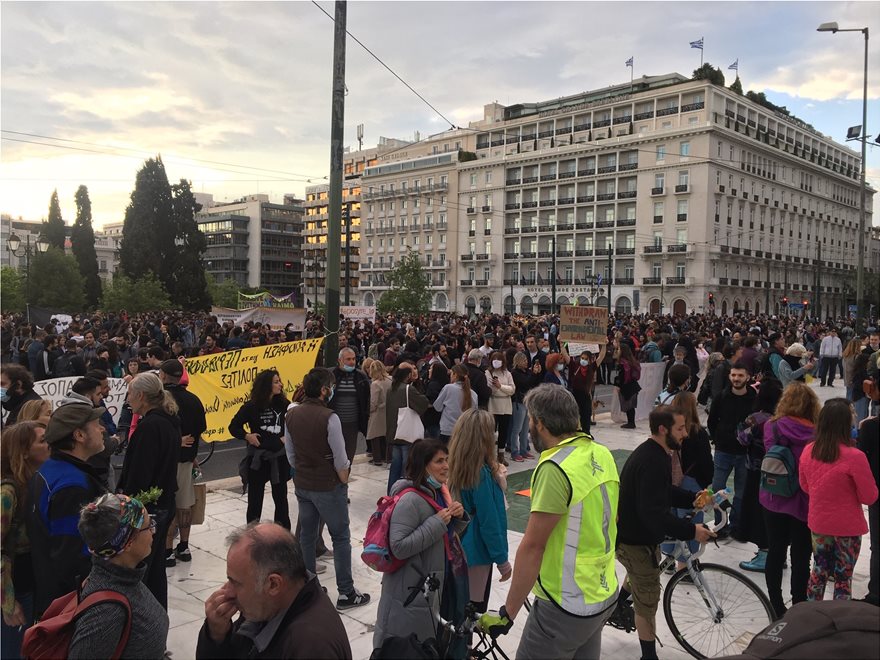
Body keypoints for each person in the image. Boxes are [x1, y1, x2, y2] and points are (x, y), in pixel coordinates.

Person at [487, 384, 620, 660]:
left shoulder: (555, 467)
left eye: (531, 420)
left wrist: (508, 613)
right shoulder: (601, 453)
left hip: (565, 604)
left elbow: (533, 547)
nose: (529, 427)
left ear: (541, 423)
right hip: (601, 592)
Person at [613, 406, 716, 660]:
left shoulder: (656, 454)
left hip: (639, 537)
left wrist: (691, 498)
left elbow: (664, 492)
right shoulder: (653, 460)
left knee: (641, 576)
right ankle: (648, 656)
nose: (685, 434)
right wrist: (691, 530)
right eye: (680, 429)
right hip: (635, 542)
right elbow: (654, 513)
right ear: (663, 429)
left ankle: (617, 606)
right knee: (647, 602)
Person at [197, 522, 351, 659]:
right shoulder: (265, 605)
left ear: (273, 584)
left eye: (235, 583)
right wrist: (216, 635)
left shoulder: (310, 646)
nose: (228, 592)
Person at [373, 439, 470, 656]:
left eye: (447, 460)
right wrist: (436, 523)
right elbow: (398, 546)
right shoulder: (410, 500)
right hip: (411, 592)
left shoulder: (438, 493)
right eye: (439, 461)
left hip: (435, 585)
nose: (446, 466)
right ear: (423, 465)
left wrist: (458, 517)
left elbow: (443, 538)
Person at [287, 368, 370, 611]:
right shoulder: (330, 417)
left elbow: (291, 455)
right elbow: (341, 458)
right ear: (324, 390)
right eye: (331, 386)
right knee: (341, 536)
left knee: (307, 535)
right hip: (328, 485)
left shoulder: (291, 414)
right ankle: (346, 592)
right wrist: (343, 478)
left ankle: (308, 586)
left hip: (303, 483)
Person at [26, 401, 108, 618]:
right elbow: (73, 557)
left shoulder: (51, 469)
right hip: (72, 606)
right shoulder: (71, 485)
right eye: (96, 424)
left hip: (54, 597)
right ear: (79, 435)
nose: (102, 429)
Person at [69, 494, 169, 659]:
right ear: (128, 542)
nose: (153, 531)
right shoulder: (105, 612)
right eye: (148, 525)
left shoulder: (126, 578)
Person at [800, 398, 878, 601]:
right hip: (848, 528)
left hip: (819, 523)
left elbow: (805, 486)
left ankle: (811, 612)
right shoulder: (855, 457)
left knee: (818, 572)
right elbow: (869, 496)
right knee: (843, 579)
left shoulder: (808, 450)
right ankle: (839, 616)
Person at [117, 372, 180, 610]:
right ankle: (157, 618)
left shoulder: (150, 427)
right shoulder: (168, 420)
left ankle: (145, 621)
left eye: (130, 394)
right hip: (164, 502)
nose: (128, 399)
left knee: (142, 571)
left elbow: (139, 474)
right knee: (155, 569)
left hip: (149, 508)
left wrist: (128, 507)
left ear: (141, 396)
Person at [757, 381, 819, 618]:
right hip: (803, 499)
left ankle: (775, 604)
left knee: (776, 551)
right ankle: (799, 605)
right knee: (801, 556)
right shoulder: (817, 433)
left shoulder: (772, 426)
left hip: (773, 496)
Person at [447, 409, 511, 619]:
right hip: (477, 552)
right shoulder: (481, 475)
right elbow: (490, 522)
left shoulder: (455, 466)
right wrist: (502, 561)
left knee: (457, 608)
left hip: (458, 546)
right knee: (471, 611)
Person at [1, 422, 50, 659]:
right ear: (24, 452)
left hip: (29, 581)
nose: (49, 444)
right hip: (14, 588)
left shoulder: (34, 482)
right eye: (42, 440)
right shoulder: (8, 493)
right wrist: (7, 602)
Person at [158, 359, 207, 567]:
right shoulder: (194, 399)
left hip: (164, 462)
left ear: (162, 375)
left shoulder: (160, 400)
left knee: (167, 504)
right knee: (184, 505)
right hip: (186, 460)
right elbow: (200, 429)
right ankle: (184, 546)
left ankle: (167, 550)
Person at [229, 370, 291, 528]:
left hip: (278, 457)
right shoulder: (251, 406)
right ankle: (252, 533)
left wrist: (287, 437)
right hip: (259, 459)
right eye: (276, 382)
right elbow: (233, 427)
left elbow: (294, 423)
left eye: (279, 381)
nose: (280, 385)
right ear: (266, 386)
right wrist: (247, 436)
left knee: (281, 500)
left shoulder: (284, 404)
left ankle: (283, 534)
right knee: (255, 501)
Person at [734, 378, 783, 574]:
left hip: (757, 471)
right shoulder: (783, 418)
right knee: (776, 513)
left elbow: (742, 438)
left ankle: (764, 554)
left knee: (758, 513)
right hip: (780, 473)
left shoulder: (757, 419)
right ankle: (778, 554)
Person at [707, 362, 755, 538]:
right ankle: (720, 524)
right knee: (717, 488)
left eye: (740, 375)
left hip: (745, 453)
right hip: (723, 451)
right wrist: (718, 438)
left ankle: (736, 525)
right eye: (733, 375)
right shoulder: (721, 397)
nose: (736, 378)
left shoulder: (754, 398)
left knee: (741, 492)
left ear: (747, 377)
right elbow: (712, 421)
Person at [857, 372, 879, 605]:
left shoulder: (870, 427)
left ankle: (876, 593)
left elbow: (861, 458)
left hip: (877, 492)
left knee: (878, 544)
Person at [330, 347, 371, 464]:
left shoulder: (361, 377)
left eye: (353, 359)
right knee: (333, 456)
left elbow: (366, 399)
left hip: (352, 425)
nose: (352, 362)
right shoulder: (331, 376)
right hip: (334, 424)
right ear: (340, 360)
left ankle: (345, 475)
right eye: (348, 359)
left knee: (348, 457)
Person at [433, 364, 478, 445]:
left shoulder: (448, 388)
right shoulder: (473, 394)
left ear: (455, 374)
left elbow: (437, 406)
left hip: (448, 429)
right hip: (465, 430)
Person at [510, 352, 541, 461]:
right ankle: (514, 451)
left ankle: (524, 450)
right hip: (519, 402)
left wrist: (536, 374)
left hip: (528, 401)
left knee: (525, 428)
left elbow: (534, 383)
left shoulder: (528, 372)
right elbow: (525, 383)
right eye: (524, 360)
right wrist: (533, 374)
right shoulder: (515, 373)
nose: (526, 362)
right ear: (518, 361)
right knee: (517, 428)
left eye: (526, 360)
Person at [486, 351, 515, 467]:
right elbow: (491, 390)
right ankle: (491, 455)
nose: (497, 362)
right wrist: (502, 390)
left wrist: (500, 386)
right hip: (493, 405)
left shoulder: (507, 374)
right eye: (494, 360)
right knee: (492, 432)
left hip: (506, 406)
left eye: (499, 360)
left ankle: (501, 455)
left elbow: (512, 390)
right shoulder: (488, 373)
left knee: (504, 431)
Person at [568, 345, 604, 435]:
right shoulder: (575, 366)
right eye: (582, 358)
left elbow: (601, 356)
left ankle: (586, 433)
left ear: (589, 360)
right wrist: (561, 345)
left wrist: (604, 345)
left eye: (586, 359)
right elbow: (566, 357)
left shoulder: (592, 367)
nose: (583, 360)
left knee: (586, 415)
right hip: (575, 395)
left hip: (586, 395)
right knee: (575, 415)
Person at [366, 360, 391, 467]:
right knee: (386, 435)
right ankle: (386, 457)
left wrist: (369, 411)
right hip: (389, 411)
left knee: (374, 435)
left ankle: (377, 459)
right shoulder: (390, 380)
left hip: (378, 412)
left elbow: (373, 402)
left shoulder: (375, 384)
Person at [423, 360, 449, 441]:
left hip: (432, 418)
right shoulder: (445, 384)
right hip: (442, 418)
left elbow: (432, 401)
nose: (429, 371)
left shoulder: (433, 385)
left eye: (431, 369)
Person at [617, 343, 641, 429]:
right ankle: (631, 422)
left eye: (619, 349)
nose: (617, 351)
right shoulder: (632, 361)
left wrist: (619, 386)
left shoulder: (623, 362)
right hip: (633, 385)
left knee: (628, 405)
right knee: (631, 406)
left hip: (627, 386)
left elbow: (622, 376)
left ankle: (631, 423)